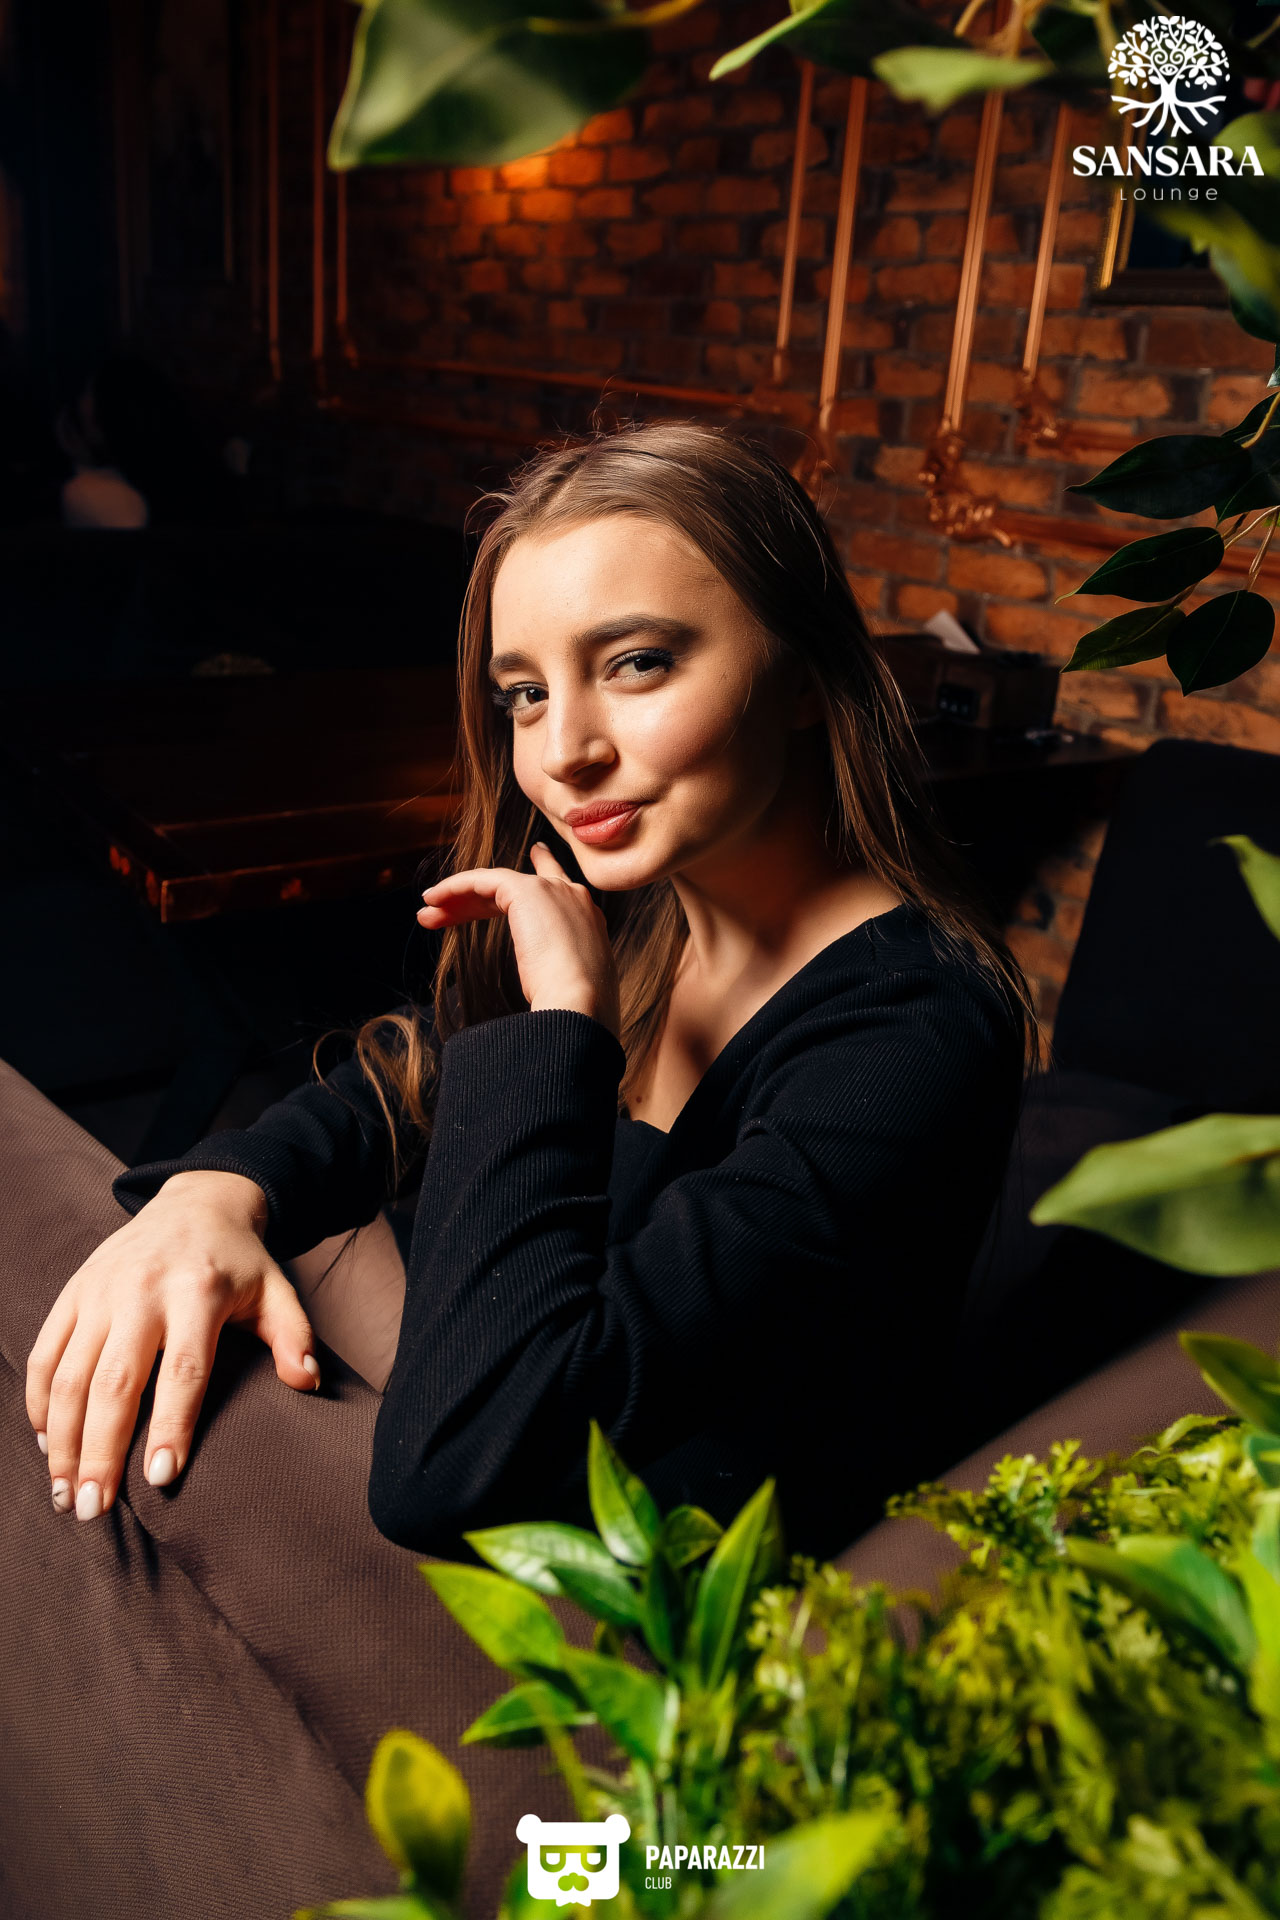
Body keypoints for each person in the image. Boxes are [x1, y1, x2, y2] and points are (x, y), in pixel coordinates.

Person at [25, 421, 1029, 1561]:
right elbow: (389, 1091)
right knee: (228, 1235)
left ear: (802, 676)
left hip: (655, 1558)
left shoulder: (916, 1030)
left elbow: (456, 1468)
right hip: (515, 1387)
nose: (563, 753)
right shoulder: (649, 902)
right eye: (525, 693)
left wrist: (559, 1034)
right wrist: (214, 1195)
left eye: (636, 663)